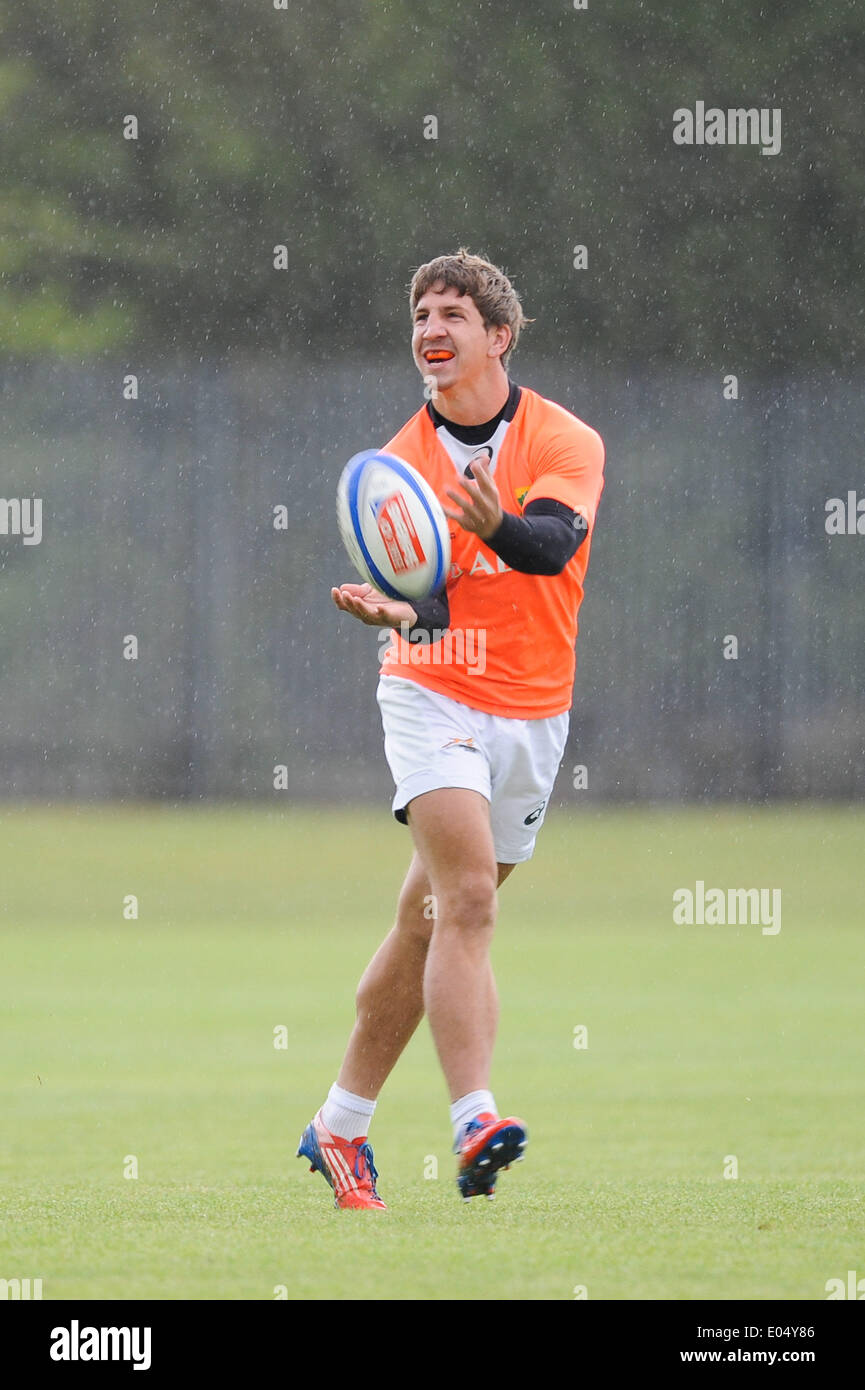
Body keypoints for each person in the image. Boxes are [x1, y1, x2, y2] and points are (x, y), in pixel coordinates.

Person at [298, 249, 605, 1208]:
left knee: (424, 919)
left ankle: (338, 1127)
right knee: (468, 898)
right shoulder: (398, 467)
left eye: (451, 315)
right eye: (420, 316)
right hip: (430, 690)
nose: (430, 330)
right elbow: (430, 603)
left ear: (497, 336)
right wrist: (399, 617)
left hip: (533, 708)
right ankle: (475, 1118)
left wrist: (497, 522)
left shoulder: (563, 440)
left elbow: (551, 549)